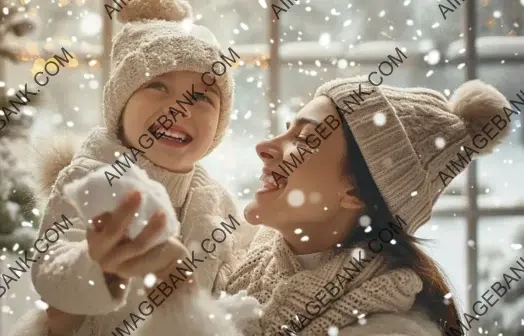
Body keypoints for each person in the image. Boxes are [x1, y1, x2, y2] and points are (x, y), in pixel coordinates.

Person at [130, 76, 514, 335]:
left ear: (357, 194)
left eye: (306, 139)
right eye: (285, 129)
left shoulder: (391, 330)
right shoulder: (240, 256)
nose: (265, 147)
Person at [9, 0, 258, 335]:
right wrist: (100, 264)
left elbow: (237, 280)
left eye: (202, 98)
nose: (180, 108)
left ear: (218, 125)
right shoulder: (91, 179)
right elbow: (52, 273)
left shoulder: (216, 201)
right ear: (120, 105)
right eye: (157, 86)